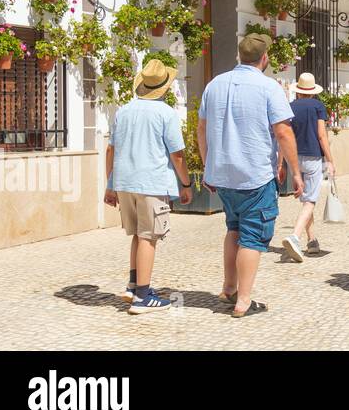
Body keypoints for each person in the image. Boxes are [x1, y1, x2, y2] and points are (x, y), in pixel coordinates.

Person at [198, 32, 303, 318]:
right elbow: (282, 131)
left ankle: (228, 287)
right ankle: (243, 300)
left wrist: (209, 167)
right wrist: (296, 172)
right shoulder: (268, 87)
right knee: (253, 237)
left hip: (223, 176)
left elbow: (202, 129)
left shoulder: (214, 85)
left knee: (233, 229)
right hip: (255, 174)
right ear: (265, 57)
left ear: (240, 56)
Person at [103, 58, 193, 315]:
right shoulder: (165, 113)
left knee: (137, 234)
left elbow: (112, 150)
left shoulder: (123, 111)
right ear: (163, 87)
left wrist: (110, 185)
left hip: (124, 182)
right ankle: (143, 296)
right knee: (149, 236)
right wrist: (186, 184)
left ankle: (133, 285)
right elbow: (177, 154)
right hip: (151, 183)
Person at [281, 72, 335, 262]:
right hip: (312, 157)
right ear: (312, 91)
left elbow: (283, 135)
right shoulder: (318, 106)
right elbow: (322, 135)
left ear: (299, 91)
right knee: (310, 201)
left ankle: (312, 242)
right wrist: (330, 160)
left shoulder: (290, 106)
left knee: (306, 201)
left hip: (293, 158)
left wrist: (281, 164)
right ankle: (295, 237)